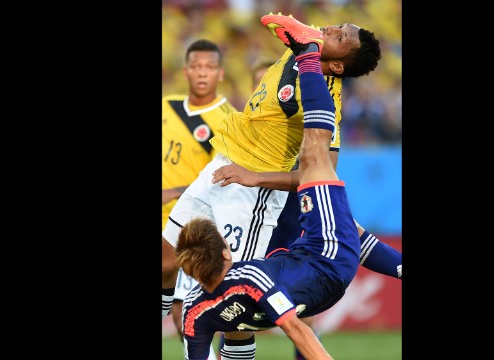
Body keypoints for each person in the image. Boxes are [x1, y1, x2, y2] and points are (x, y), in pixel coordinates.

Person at [162, 12, 383, 359]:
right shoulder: (303, 43)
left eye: (340, 37)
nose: (331, 29)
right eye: (338, 26)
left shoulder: (326, 99)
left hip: (252, 191)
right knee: (164, 259)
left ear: (338, 66)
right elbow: (272, 20)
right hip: (221, 162)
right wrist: (283, 26)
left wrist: (256, 177)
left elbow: (321, 173)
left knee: (232, 305)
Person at [162, 38, 238, 359]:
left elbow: (223, 179)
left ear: (220, 73)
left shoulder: (227, 120)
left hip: (191, 229)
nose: (202, 73)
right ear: (186, 71)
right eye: (196, 66)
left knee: (185, 314)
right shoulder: (166, 105)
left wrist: (175, 192)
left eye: (209, 67)